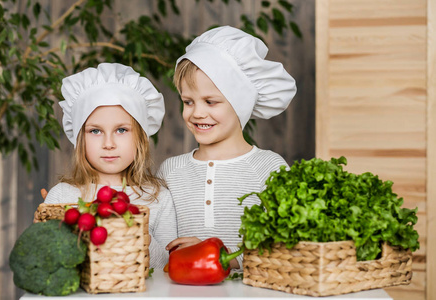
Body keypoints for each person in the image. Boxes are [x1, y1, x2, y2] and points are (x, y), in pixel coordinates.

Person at [157, 26, 297, 269]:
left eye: (211, 102)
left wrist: (229, 259)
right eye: (188, 102)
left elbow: (287, 246)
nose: (197, 113)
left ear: (240, 103)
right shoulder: (170, 170)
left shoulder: (269, 168)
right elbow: (160, 244)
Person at [44, 62, 177, 269]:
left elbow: (167, 267)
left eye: (121, 130)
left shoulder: (158, 198)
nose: (108, 144)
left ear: (140, 137)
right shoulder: (62, 196)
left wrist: (141, 237)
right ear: (80, 139)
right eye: (95, 131)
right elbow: (48, 260)